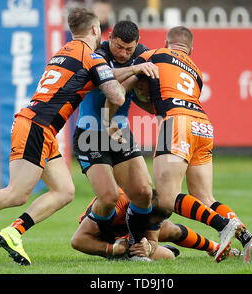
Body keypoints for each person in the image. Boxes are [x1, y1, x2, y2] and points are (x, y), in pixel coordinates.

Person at [0, 7, 126, 266]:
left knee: (64, 190)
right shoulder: (91, 57)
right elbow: (116, 96)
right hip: (36, 126)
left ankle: (14, 231)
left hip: (41, 128)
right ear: (95, 29)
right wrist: (133, 73)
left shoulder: (62, 53)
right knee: (17, 193)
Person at [123, 26, 252, 263]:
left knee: (168, 197)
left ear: (167, 42)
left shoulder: (154, 55)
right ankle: (248, 237)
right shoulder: (196, 71)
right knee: (206, 197)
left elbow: (129, 82)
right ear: (191, 49)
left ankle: (223, 227)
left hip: (176, 124)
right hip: (203, 125)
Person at [72, 20, 159, 258]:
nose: (123, 53)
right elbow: (106, 81)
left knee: (143, 192)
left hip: (120, 133)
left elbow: (149, 76)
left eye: (129, 50)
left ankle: (135, 246)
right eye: (119, 47)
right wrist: (134, 69)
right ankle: (105, 242)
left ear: (137, 44)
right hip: (90, 134)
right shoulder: (96, 54)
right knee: (109, 197)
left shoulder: (142, 54)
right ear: (110, 38)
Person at [71, 188, 241, 261]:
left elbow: (152, 238)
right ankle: (124, 255)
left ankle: (214, 248)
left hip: (128, 236)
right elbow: (77, 240)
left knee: (171, 230)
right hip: (106, 238)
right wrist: (113, 249)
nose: (155, 226)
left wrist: (149, 248)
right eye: (153, 223)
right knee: (169, 256)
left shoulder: (150, 205)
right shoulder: (116, 203)